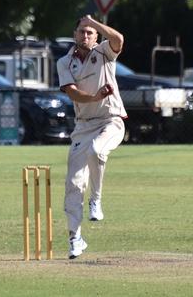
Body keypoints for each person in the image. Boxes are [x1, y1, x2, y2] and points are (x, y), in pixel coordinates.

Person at [56, 15, 127, 259]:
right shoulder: (65, 62)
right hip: (83, 126)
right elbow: (73, 93)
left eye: (90, 32)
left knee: (97, 150)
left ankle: (95, 201)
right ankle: (75, 239)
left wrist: (95, 22)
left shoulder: (105, 52)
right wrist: (95, 97)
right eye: (81, 32)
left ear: (96, 36)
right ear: (75, 34)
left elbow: (118, 38)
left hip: (111, 121)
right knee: (73, 184)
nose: (85, 36)